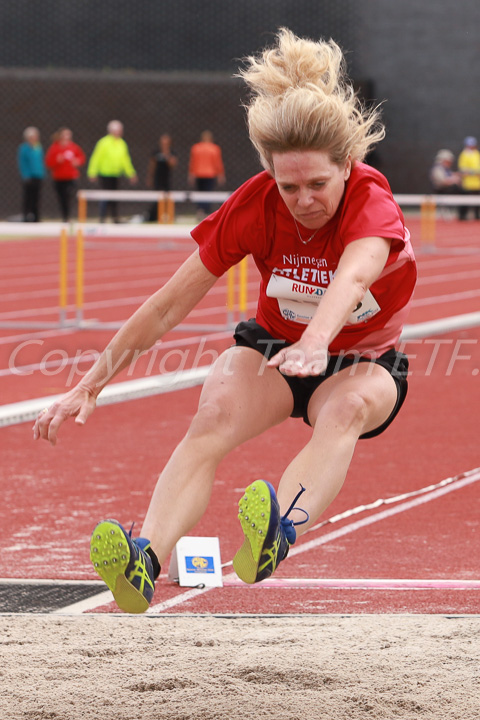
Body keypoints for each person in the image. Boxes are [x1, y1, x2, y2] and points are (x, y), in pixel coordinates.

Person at [34, 29, 417, 615]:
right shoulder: (255, 204)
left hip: (361, 362)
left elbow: (354, 278)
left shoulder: (372, 202)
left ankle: (276, 534)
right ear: (269, 174)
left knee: (345, 409)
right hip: (274, 348)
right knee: (211, 414)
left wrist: (317, 342)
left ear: (346, 165)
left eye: (318, 184)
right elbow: (167, 305)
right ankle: (145, 561)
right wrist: (89, 383)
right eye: (289, 186)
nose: (304, 199)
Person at [87, 120, 138, 222]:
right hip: (105, 173)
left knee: (115, 196)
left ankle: (115, 217)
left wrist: (131, 174)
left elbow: (125, 160)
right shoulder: (103, 143)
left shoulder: (122, 143)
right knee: (105, 196)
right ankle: (102, 217)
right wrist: (92, 172)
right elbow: (96, 158)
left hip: (116, 174)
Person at [45, 127, 86, 222]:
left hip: (71, 177)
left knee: (70, 195)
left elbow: (81, 158)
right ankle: (65, 217)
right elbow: (48, 163)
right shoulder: (54, 148)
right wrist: (57, 160)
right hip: (59, 178)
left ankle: (70, 215)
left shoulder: (74, 147)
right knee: (62, 198)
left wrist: (77, 161)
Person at [188, 130, 225, 217]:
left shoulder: (196, 148)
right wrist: (221, 175)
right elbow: (218, 163)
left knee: (200, 192)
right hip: (210, 173)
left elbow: (192, 162)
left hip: (198, 173)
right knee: (208, 192)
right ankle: (205, 210)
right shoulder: (214, 148)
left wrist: (191, 174)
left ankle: (200, 209)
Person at [145, 133, 178, 222]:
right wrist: (150, 177)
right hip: (157, 179)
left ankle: (167, 216)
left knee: (167, 198)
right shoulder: (156, 152)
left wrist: (166, 154)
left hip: (167, 179)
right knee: (157, 198)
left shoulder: (171, 152)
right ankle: (153, 216)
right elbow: (152, 166)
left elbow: (173, 164)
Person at [17, 126, 45, 222]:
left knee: (37, 197)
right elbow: (23, 163)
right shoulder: (24, 148)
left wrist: (41, 173)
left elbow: (40, 161)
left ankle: (36, 216)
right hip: (29, 176)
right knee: (28, 197)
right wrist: (26, 175)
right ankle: (26, 216)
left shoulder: (38, 147)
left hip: (38, 175)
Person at [429, 149, 461, 220]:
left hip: (446, 189)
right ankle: (443, 211)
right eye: (448, 161)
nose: (450, 163)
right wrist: (453, 180)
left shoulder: (446, 169)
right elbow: (443, 181)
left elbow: (450, 175)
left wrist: (456, 176)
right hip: (440, 190)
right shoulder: (437, 168)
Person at [457, 136, 480, 220]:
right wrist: (474, 172)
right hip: (467, 183)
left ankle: (477, 215)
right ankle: (462, 216)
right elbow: (463, 169)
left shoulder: (477, 153)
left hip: (477, 183)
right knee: (465, 200)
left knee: (477, 201)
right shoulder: (464, 155)